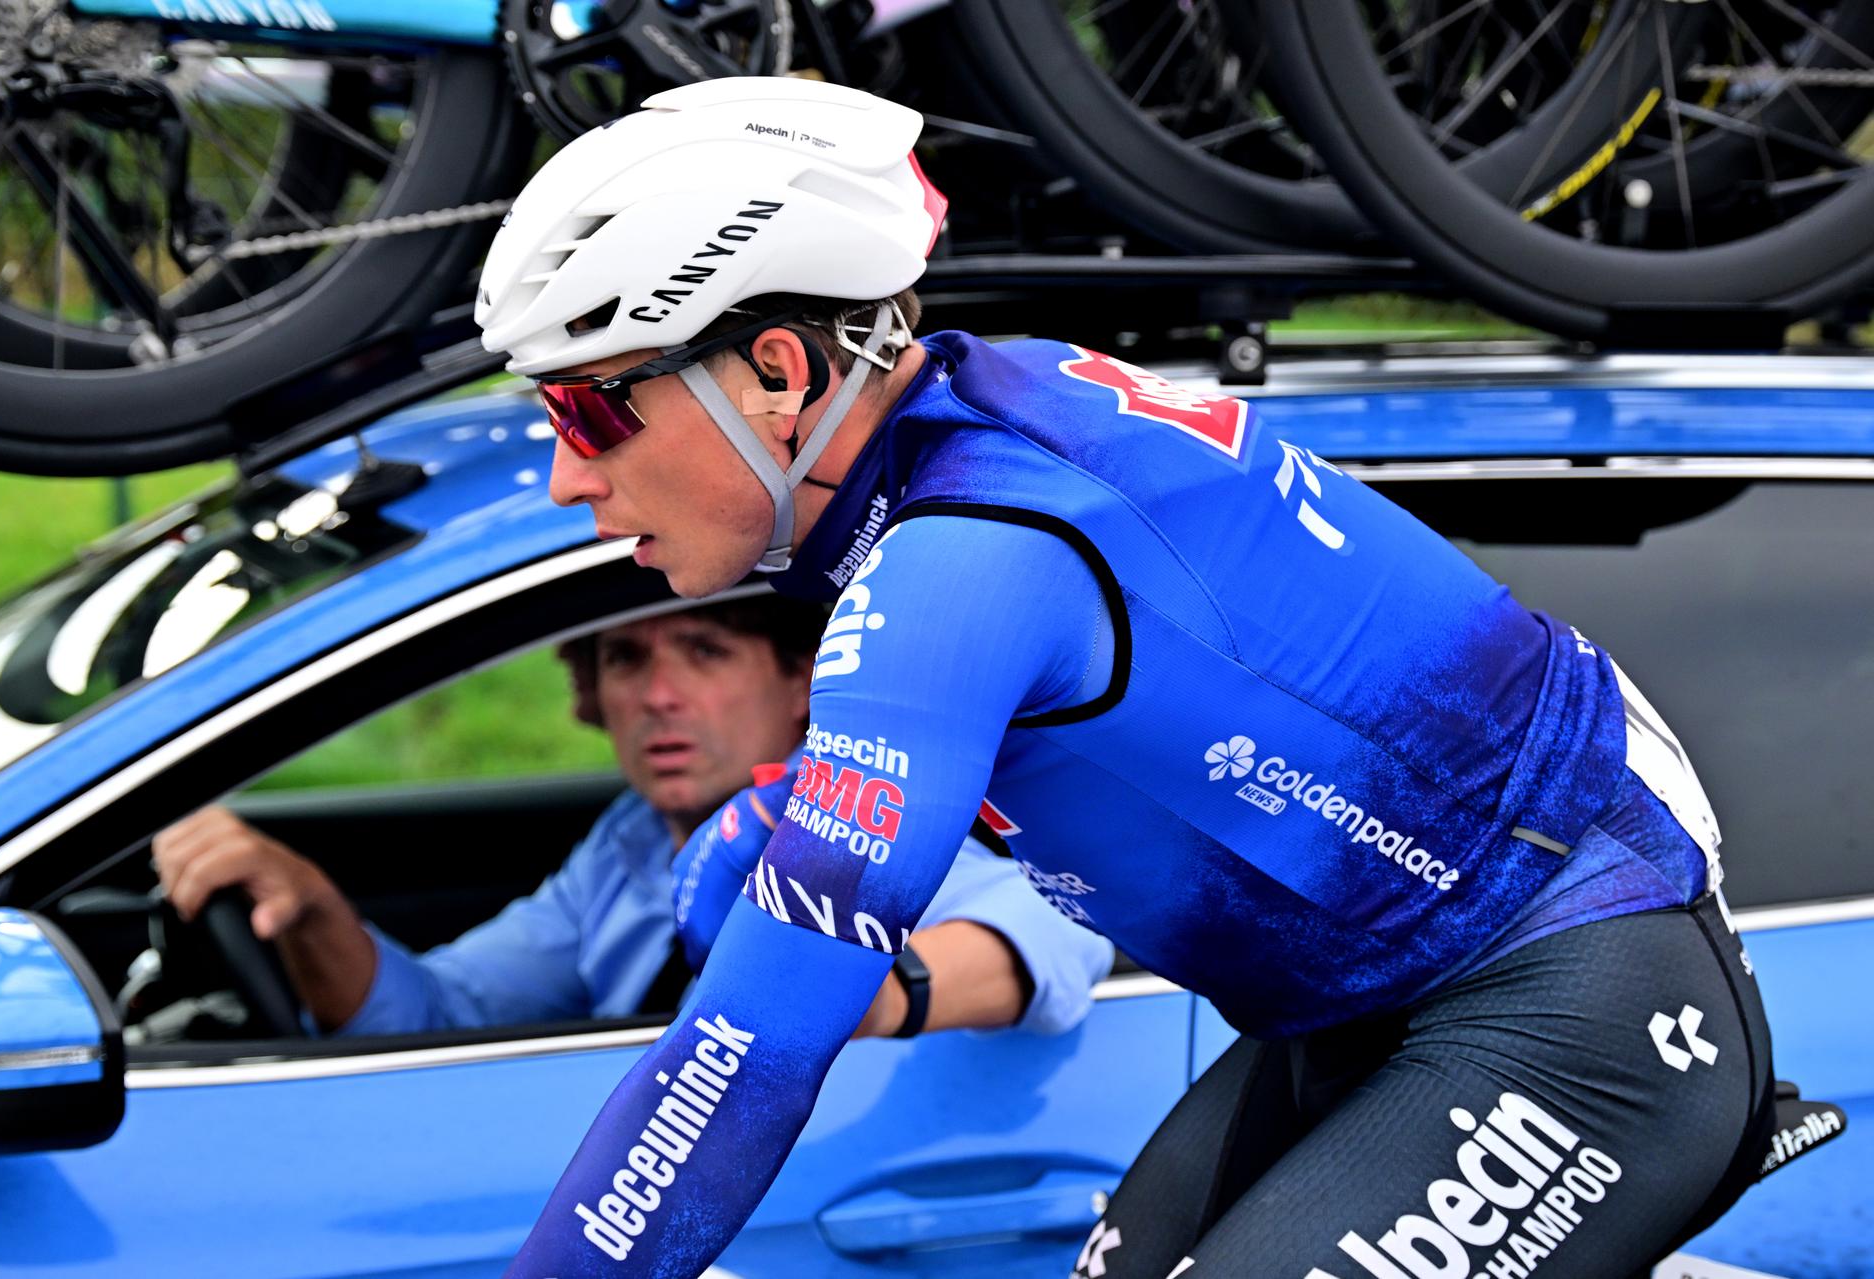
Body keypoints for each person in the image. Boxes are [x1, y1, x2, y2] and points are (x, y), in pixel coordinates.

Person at [472, 77, 1774, 1278]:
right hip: (1372, 1002)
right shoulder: (982, 416)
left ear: (779, 370)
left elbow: (749, 1048)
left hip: (1564, 987)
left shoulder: (963, 556)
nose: (567, 475)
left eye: (592, 411)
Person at [151, 595, 1112, 1040]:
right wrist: (312, 910)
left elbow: (1056, 932)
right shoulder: (628, 845)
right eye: (624, 659)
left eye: (704, 650)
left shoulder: (854, 817)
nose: (658, 694)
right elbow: (439, 1017)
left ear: (802, 682)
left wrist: (875, 996)